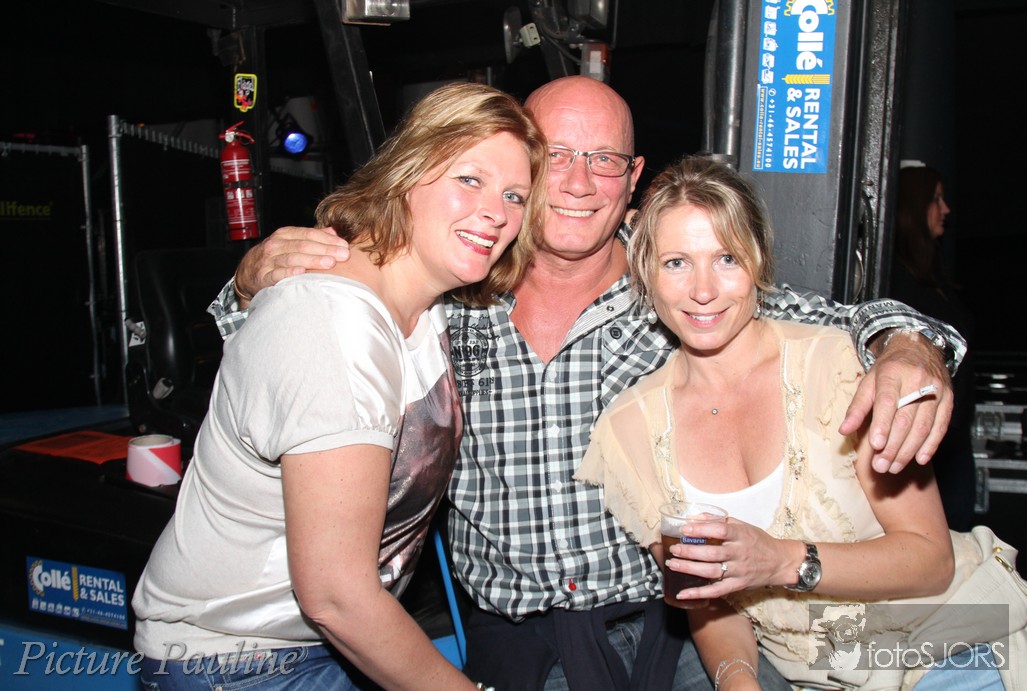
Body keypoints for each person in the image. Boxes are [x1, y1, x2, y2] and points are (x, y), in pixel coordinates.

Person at [212, 76, 966, 689]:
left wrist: (910, 348)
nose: (577, 182)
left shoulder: (674, 278)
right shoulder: (451, 279)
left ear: (632, 178)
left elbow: (844, 320)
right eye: (556, 156)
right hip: (517, 638)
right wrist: (251, 280)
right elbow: (276, 344)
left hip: (675, 624)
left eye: (604, 160)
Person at [132, 81, 548, 690]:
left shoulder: (430, 307)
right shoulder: (335, 322)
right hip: (240, 661)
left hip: (323, 644)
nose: (496, 212)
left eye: (514, 195)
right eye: (470, 179)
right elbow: (335, 595)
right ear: (407, 172)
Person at [575, 155, 1027, 690]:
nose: (702, 289)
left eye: (727, 258)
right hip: (822, 674)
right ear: (645, 271)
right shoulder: (630, 428)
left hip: (947, 645)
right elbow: (705, 598)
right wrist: (737, 679)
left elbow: (930, 560)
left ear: (758, 261)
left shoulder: (840, 369)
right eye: (676, 262)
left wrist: (783, 561)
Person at [890, 162, 977, 531]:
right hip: (925, 447)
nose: (946, 209)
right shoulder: (898, 282)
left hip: (950, 441)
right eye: (936, 199)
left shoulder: (931, 277)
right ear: (914, 205)